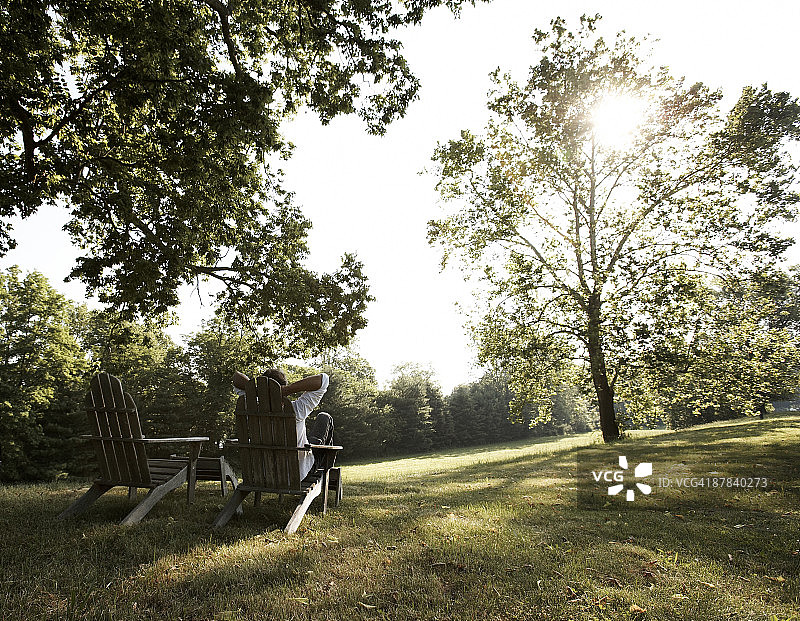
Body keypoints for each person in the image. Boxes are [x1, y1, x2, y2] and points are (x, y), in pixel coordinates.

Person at [232, 369, 333, 480]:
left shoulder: (251, 409)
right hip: (298, 474)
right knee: (324, 417)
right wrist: (287, 390)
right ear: (283, 387)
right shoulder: (296, 410)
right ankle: (329, 474)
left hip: (265, 473)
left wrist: (258, 391)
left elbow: (236, 377)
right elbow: (323, 379)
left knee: (310, 438)